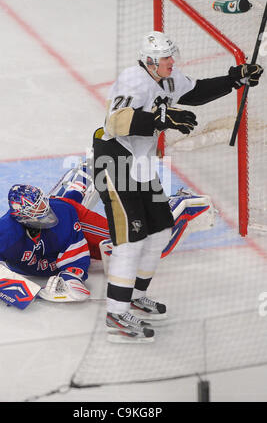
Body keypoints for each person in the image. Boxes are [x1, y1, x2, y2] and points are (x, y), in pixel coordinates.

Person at [92, 30, 264, 343]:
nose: (172, 61)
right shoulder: (133, 78)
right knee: (130, 240)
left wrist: (235, 79)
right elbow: (115, 122)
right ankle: (116, 313)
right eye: (166, 58)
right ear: (149, 61)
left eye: (172, 55)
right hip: (113, 161)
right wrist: (161, 118)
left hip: (140, 164)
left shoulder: (168, 78)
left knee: (159, 230)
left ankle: (133, 296)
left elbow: (196, 91)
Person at [0, 169, 110, 309]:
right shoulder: (2, 232)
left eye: (43, 203)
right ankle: (79, 182)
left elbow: (76, 257)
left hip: (68, 211)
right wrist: (25, 291)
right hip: (45, 249)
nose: (46, 211)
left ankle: (83, 176)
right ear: (21, 216)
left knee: (119, 241)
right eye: (37, 209)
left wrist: (71, 277)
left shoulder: (64, 213)